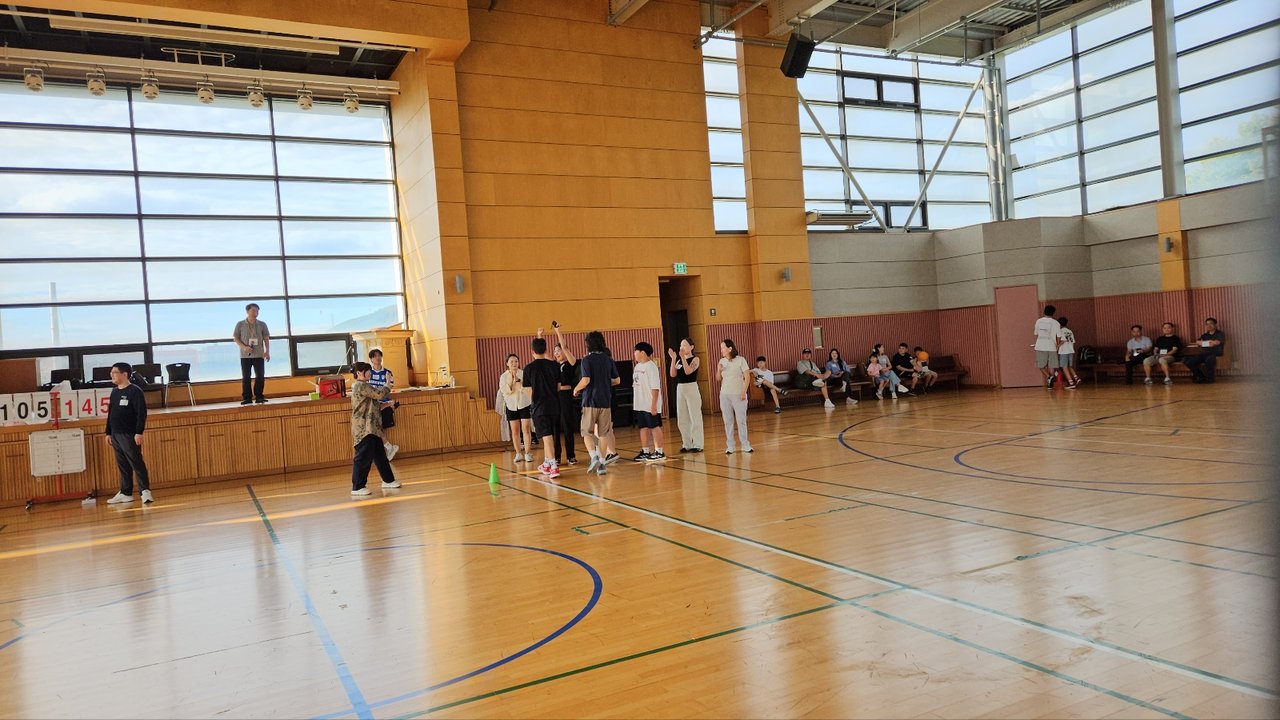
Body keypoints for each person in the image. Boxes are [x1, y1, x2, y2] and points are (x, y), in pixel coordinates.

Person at [348, 361, 400, 496]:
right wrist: (388, 384)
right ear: (359, 373)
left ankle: (388, 480)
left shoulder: (366, 386)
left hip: (373, 427)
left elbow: (374, 405)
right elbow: (380, 394)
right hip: (364, 427)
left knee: (380, 455)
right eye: (367, 371)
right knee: (362, 457)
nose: (370, 373)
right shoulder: (359, 386)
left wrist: (388, 405)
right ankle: (357, 487)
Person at [104, 362, 153, 505]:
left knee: (136, 462)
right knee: (123, 465)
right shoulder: (114, 392)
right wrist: (108, 432)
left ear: (124, 374)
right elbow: (111, 413)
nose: (112, 375)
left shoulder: (135, 391)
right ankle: (125, 492)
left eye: (114, 373)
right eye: (111, 373)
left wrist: (139, 432)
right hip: (116, 434)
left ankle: (145, 492)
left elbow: (141, 413)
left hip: (129, 433)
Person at [573, 330, 621, 474]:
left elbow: (586, 380)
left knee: (586, 432)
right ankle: (602, 463)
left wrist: (576, 389)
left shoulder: (586, 360)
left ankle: (594, 457)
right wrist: (604, 383)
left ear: (588, 344)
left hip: (590, 401)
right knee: (603, 434)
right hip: (605, 402)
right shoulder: (608, 360)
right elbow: (617, 380)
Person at [524, 335, 563, 479]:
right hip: (554, 405)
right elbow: (558, 387)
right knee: (550, 435)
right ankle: (546, 463)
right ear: (546, 350)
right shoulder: (554, 366)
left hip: (539, 407)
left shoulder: (528, 368)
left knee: (546, 436)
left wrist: (535, 400)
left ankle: (553, 466)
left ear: (532, 351)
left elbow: (529, 391)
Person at [550, 324, 580, 466]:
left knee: (568, 427)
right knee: (555, 428)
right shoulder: (554, 366)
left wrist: (558, 331)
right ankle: (556, 457)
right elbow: (542, 355)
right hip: (555, 398)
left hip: (566, 396)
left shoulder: (571, 363)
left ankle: (570, 456)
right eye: (555, 351)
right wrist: (539, 336)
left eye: (559, 350)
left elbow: (565, 346)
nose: (557, 353)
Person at [631, 342, 666, 462]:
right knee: (643, 427)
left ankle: (659, 451)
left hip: (650, 404)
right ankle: (645, 451)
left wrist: (654, 405)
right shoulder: (637, 367)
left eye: (636, 351)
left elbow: (655, 388)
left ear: (642, 352)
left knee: (654, 426)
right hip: (640, 404)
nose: (634, 354)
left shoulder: (651, 367)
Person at [667, 337, 703, 452]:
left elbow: (688, 372)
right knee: (682, 417)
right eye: (681, 345)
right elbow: (672, 374)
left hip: (691, 387)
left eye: (685, 345)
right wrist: (673, 359)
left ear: (691, 347)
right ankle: (687, 444)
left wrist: (683, 358)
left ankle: (698, 444)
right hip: (680, 388)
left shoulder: (695, 359)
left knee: (694, 416)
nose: (682, 348)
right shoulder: (678, 360)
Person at [717, 339, 752, 454]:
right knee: (728, 421)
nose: (721, 350)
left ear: (730, 348)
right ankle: (730, 445)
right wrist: (719, 370)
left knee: (741, 420)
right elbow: (718, 378)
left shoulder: (741, 360)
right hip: (724, 395)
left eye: (723, 348)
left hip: (738, 394)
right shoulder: (721, 361)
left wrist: (743, 391)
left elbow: (747, 376)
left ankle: (745, 444)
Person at [233, 302, 270, 405]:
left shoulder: (262, 324)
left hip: (259, 354)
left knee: (260, 376)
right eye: (253, 310)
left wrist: (267, 351)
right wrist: (244, 347)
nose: (255, 313)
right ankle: (247, 398)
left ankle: (259, 396)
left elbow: (266, 339)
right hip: (245, 355)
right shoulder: (240, 324)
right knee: (246, 377)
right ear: (247, 311)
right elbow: (236, 338)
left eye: (257, 311)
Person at [366, 349, 400, 460]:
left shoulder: (387, 373)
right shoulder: (368, 373)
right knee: (374, 428)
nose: (378, 358)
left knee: (378, 428)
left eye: (379, 356)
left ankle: (387, 449)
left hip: (384, 404)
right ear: (371, 359)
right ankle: (387, 448)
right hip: (372, 405)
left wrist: (385, 386)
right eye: (375, 356)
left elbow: (389, 388)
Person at [500, 353, 533, 463]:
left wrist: (518, 381)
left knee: (526, 429)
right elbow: (505, 391)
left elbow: (527, 389)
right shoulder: (503, 377)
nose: (514, 363)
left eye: (516, 361)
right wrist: (511, 381)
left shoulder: (523, 373)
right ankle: (518, 453)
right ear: (507, 364)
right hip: (511, 406)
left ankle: (528, 453)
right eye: (511, 362)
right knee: (515, 431)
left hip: (524, 404)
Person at [1183, 317, 1226, 383]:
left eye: (1211, 324)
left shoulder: (1220, 333)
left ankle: (1209, 379)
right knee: (1189, 362)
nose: (1209, 325)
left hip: (1214, 354)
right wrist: (1209, 342)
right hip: (1203, 354)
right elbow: (1198, 342)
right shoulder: (1205, 335)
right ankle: (1201, 377)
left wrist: (1204, 343)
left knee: (1209, 360)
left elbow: (1216, 342)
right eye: (1207, 324)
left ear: (1215, 324)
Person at [1033, 305, 1060, 390]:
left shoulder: (1038, 321)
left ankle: (1049, 377)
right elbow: (1058, 336)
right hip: (1052, 346)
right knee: (1052, 365)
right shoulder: (1056, 323)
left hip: (1040, 346)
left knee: (1040, 365)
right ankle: (1051, 384)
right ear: (1053, 313)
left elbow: (1036, 333)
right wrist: (1057, 345)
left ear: (1044, 311)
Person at [1056, 318, 1079, 388]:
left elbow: (1063, 340)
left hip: (1064, 351)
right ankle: (1076, 378)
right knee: (1069, 366)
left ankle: (1071, 382)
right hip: (1071, 350)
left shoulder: (1060, 331)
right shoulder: (1070, 331)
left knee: (1064, 367)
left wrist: (1057, 346)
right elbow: (1073, 341)